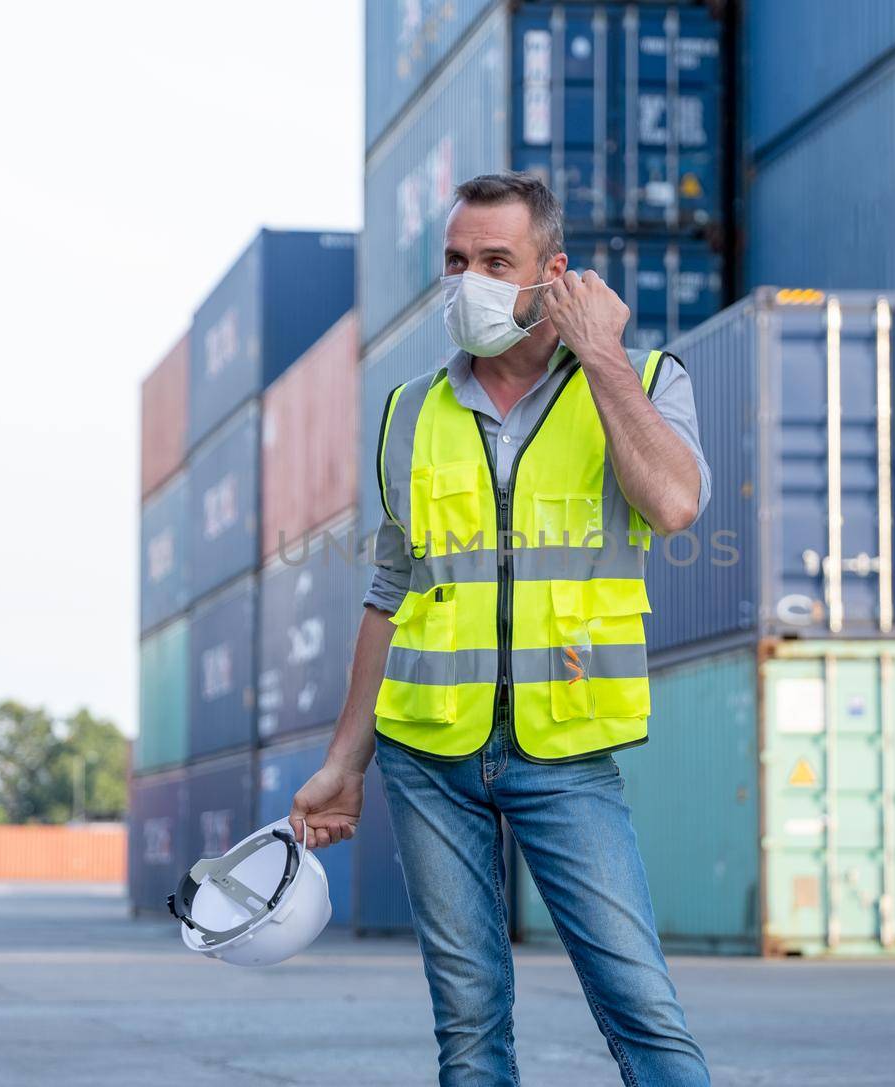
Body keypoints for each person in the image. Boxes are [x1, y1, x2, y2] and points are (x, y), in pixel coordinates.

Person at [290, 171, 712, 1086]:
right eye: (454, 261)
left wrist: (599, 353)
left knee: (645, 1015)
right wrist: (344, 761)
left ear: (551, 274)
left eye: (494, 261)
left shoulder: (642, 381)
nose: (467, 281)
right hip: (426, 756)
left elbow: (675, 502)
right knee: (471, 1035)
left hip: (563, 754)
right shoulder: (411, 412)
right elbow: (390, 592)